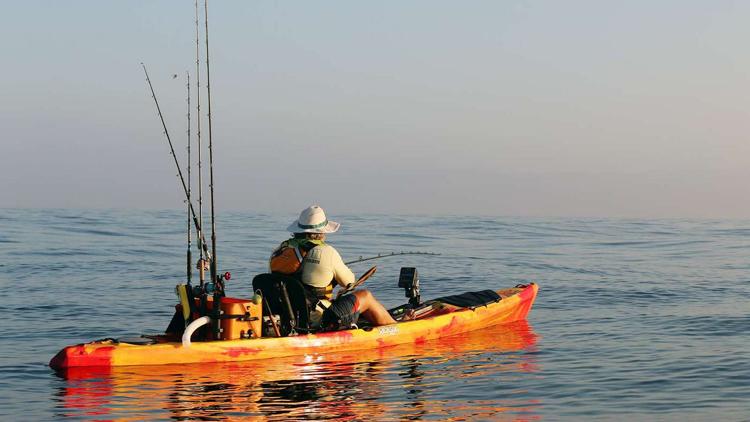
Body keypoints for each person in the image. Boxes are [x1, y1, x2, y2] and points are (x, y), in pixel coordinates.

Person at [270, 205, 396, 328]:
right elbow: (349, 282)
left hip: (285, 316)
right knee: (365, 296)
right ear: (322, 232)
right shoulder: (327, 252)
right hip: (318, 319)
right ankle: (395, 328)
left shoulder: (281, 250)